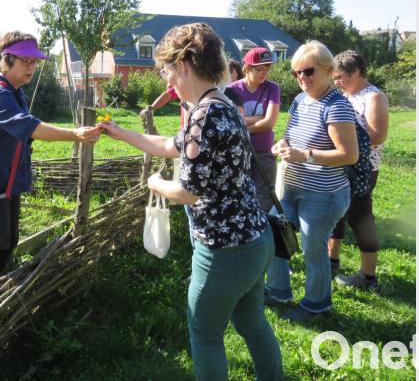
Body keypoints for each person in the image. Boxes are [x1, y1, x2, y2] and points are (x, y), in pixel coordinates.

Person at [100, 23, 283, 381]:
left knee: (205, 334)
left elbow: (187, 193)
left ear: (183, 65)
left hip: (223, 250)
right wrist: (119, 132)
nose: (167, 80)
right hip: (255, 238)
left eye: (166, 71)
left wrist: (156, 183)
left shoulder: (203, 115)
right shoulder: (224, 104)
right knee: (253, 323)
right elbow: (169, 146)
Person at [0, 31, 102, 304]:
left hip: (5, 180)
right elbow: (30, 127)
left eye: (34, 62)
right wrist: (75, 134)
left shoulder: (15, 92)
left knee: (6, 243)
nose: (31, 67)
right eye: (25, 61)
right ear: (7, 61)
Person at [264, 40, 358, 323]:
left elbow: (349, 155)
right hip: (290, 186)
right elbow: (291, 135)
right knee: (274, 236)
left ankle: (317, 304)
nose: (302, 78)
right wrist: (282, 145)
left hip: (323, 195)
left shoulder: (337, 106)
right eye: (297, 73)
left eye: (308, 71)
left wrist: (306, 155)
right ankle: (278, 290)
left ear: (328, 70)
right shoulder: (299, 100)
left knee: (313, 250)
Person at [328, 50, 389, 290]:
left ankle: (368, 276)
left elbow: (377, 136)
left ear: (355, 72)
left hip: (363, 169)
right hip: (341, 165)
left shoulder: (373, 97)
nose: (336, 82)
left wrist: (345, 140)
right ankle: (331, 261)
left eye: (340, 77)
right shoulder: (345, 95)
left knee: (360, 218)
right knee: (336, 214)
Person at [227, 47, 280, 212]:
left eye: (267, 68)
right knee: (238, 200)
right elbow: (232, 124)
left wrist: (243, 123)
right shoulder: (231, 90)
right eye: (260, 69)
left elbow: (269, 123)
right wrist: (258, 118)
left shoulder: (273, 88)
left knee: (264, 202)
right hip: (239, 153)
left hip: (264, 154)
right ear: (247, 68)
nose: (264, 73)